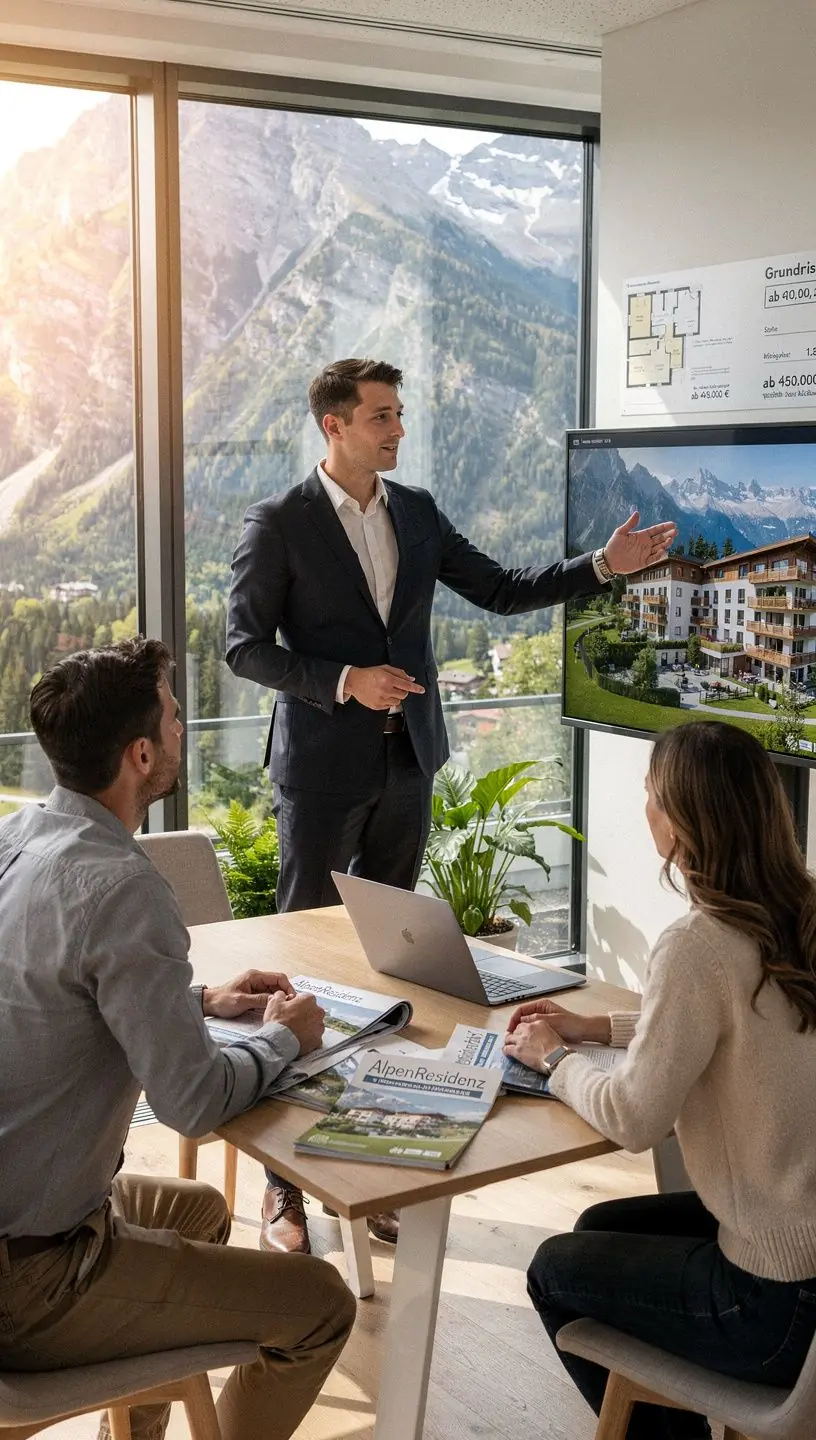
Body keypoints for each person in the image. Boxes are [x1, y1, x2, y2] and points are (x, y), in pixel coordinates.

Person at [226, 356, 678, 1252]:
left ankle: (370, 1157)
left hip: (408, 763)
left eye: (399, 414)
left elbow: (503, 589)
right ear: (335, 426)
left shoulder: (419, 511)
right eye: (382, 417)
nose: (398, 430)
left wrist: (604, 564)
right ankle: (285, 1187)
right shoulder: (279, 522)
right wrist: (345, 680)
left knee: (391, 971)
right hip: (321, 770)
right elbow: (244, 646)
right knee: (301, 971)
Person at [0, 638, 356, 1440]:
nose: (182, 728)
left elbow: (50, 993)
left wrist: (198, 1000)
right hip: (29, 1278)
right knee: (322, 1306)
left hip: (22, 1219)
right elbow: (193, 1103)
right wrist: (284, 1038)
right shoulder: (123, 887)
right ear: (139, 755)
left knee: (197, 1213)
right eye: (171, 716)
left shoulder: (17, 840)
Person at [503, 721, 816, 1440]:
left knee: (554, 1270)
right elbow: (739, 1025)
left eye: (650, 793)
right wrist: (596, 1027)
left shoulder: (697, 942)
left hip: (773, 1306)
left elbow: (634, 1119)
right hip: (805, 1253)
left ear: (679, 819)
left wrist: (554, 1059)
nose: (644, 806)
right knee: (600, 1228)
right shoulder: (802, 908)